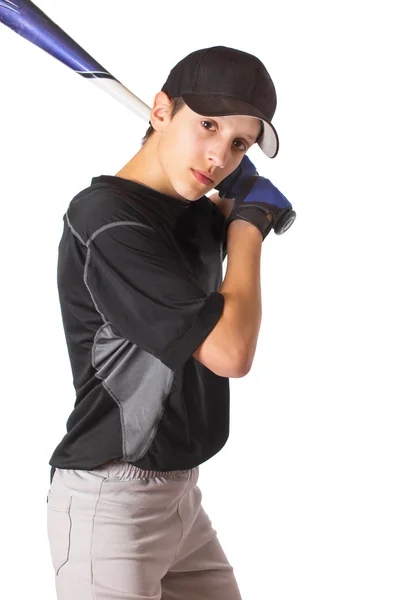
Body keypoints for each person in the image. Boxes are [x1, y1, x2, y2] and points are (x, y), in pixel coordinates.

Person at [46, 44, 292, 599]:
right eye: (206, 124)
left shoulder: (193, 213)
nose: (217, 156)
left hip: (180, 497)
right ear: (160, 111)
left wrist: (235, 209)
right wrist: (249, 227)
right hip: (110, 505)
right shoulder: (107, 221)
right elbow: (229, 352)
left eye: (238, 143)